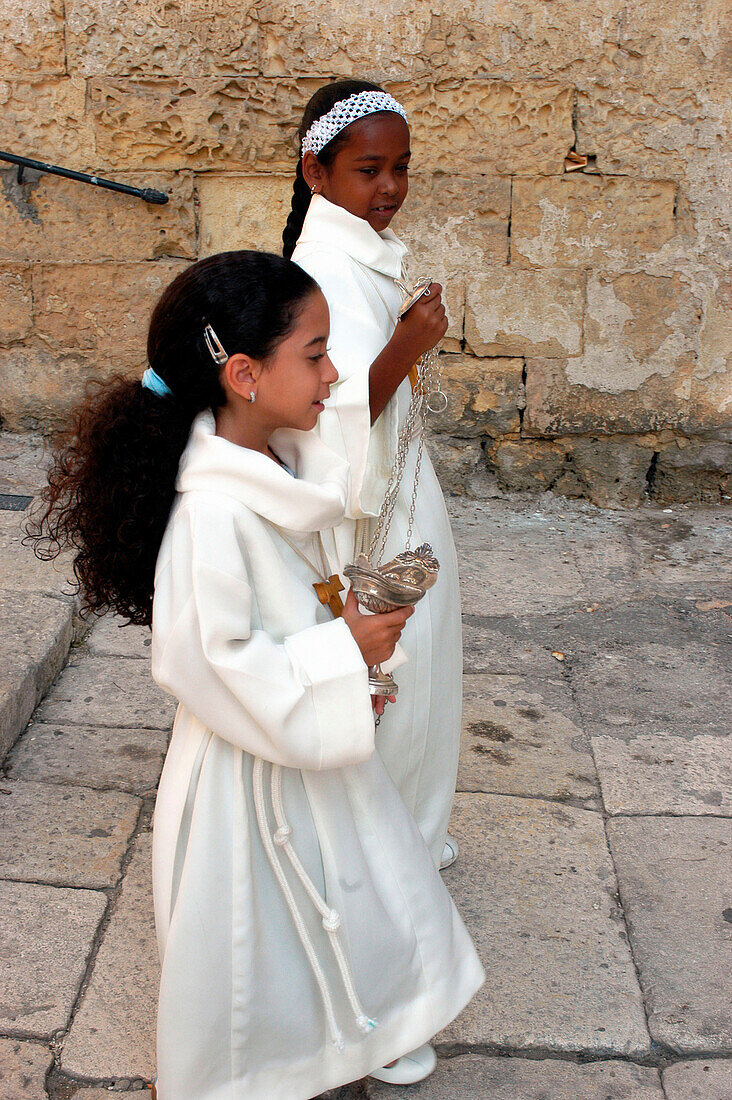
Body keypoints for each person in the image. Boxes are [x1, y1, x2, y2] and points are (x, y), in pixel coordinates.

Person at [28, 251, 484, 1099]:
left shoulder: (274, 464)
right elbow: (204, 661)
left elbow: (303, 595)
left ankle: (370, 1021)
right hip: (246, 778)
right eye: (314, 354)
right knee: (252, 936)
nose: (336, 372)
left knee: (360, 875)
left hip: (310, 733)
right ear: (243, 374)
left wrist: (353, 632)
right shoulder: (209, 516)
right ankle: (255, 1065)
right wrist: (338, 649)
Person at [284, 80, 462, 870]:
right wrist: (407, 347)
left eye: (401, 167)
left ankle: (406, 839)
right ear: (316, 174)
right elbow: (326, 406)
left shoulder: (359, 249)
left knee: (419, 673)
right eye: (368, 169)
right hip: (377, 511)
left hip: (400, 481)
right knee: (400, 671)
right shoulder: (323, 264)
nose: (389, 186)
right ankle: (389, 852)